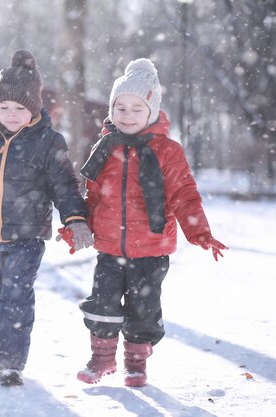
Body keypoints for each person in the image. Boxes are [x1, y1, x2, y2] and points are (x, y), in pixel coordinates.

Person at [0, 50, 93, 387]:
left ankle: (10, 362)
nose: (11, 114)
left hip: (27, 238)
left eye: (19, 108)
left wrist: (76, 219)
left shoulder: (49, 141)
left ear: (34, 109)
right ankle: (2, 350)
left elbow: (65, 186)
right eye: (4, 107)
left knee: (16, 296)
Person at [72, 58, 228, 387]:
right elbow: (93, 195)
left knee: (143, 307)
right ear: (112, 110)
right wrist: (78, 225)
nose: (127, 115)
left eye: (136, 109)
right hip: (110, 246)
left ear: (152, 111)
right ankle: (101, 360)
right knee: (102, 303)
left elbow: (184, 195)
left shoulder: (167, 151)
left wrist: (200, 232)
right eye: (120, 108)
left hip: (152, 248)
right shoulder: (105, 146)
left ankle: (135, 363)